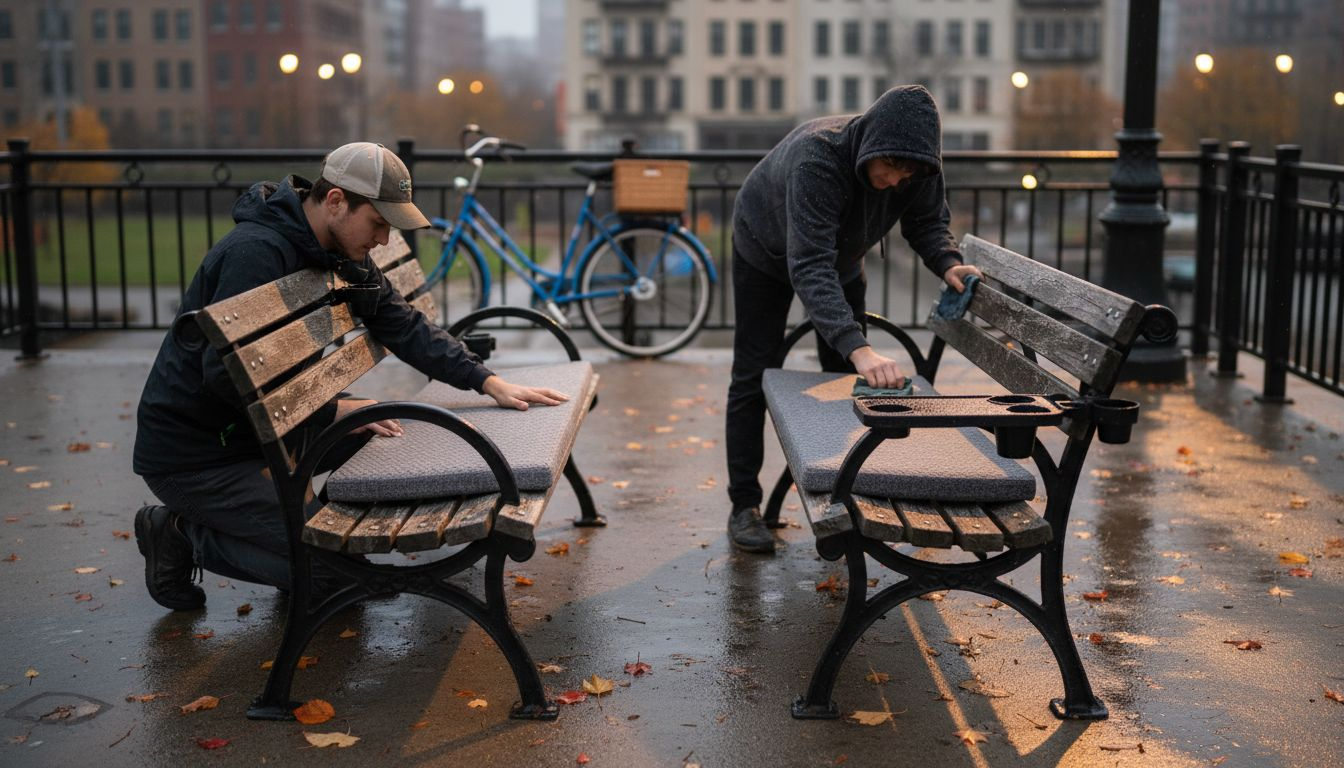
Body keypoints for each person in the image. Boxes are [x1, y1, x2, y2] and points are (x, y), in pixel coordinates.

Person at [132, 142, 567, 610]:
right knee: (342, 580)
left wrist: (486, 381)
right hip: (200, 455)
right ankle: (176, 533)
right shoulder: (254, 254)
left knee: (388, 433)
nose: (382, 240)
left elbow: (397, 321)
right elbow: (225, 378)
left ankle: (293, 534)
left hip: (270, 429)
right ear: (336, 200)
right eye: (378, 223)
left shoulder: (337, 249)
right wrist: (334, 409)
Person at [725, 85, 982, 554]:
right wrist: (859, 346)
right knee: (752, 373)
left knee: (845, 380)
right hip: (764, 249)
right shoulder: (817, 159)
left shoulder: (917, 165)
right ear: (870, 146)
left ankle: (839, 498)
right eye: (888, 167)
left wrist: (948, 262)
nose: (894, 181)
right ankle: (744, 506)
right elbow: (808, 266)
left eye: (907, 173)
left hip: (840, 258)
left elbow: (924, 223)